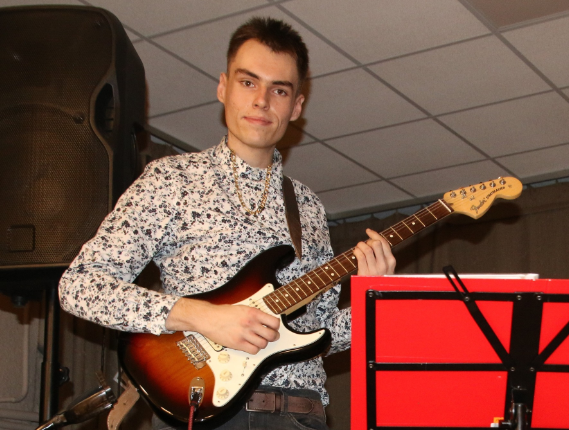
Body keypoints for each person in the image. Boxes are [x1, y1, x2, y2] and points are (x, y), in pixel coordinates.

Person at [59, 17, 395, 429]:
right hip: (206, 410)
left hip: (300, 415)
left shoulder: (307, 206)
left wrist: (373, 299)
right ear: (223, 88)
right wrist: (200, 315)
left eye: (279, 90)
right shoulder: (172, 179)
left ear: (296, 107)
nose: (262, 101)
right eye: (248, 82)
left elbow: (319, 334)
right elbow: (79, 286)